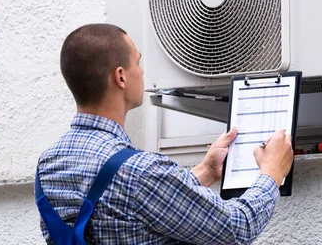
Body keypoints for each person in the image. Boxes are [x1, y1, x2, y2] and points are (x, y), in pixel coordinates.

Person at [35, 23, 294, 244]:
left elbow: (134, 202)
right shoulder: (140, 172)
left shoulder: (48, 166)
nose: (143, 70)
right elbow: (238, 228)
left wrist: (204, 171)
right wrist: (271, 172)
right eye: (137, 62)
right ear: (121, 77)